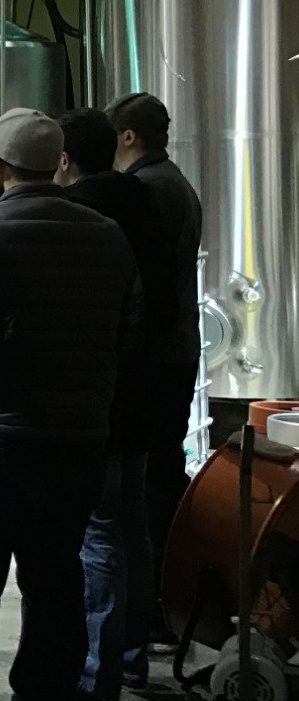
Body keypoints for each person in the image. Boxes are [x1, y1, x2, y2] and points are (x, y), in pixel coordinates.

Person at [0, 108, 140, 701]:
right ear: (58, 163)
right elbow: (127, 331)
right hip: (78, 437)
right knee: (55, 579)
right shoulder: (107, 236)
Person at [56, 109, 171, 701]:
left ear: (64, 159)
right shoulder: (151, 202)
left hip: (98, 395)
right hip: (145, 387)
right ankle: (129, 660)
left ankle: (96, 670)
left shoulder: (85, 215)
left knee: (97, 533)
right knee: (131, 527)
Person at [107, 91, 204, 626]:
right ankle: (164, 599)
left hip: (158, 356)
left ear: (127, 136)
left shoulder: (150, 190)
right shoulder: (174, 182)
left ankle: (158, 602)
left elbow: (148, 284)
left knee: (153, 482)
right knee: (159, 473)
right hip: (175, 349)